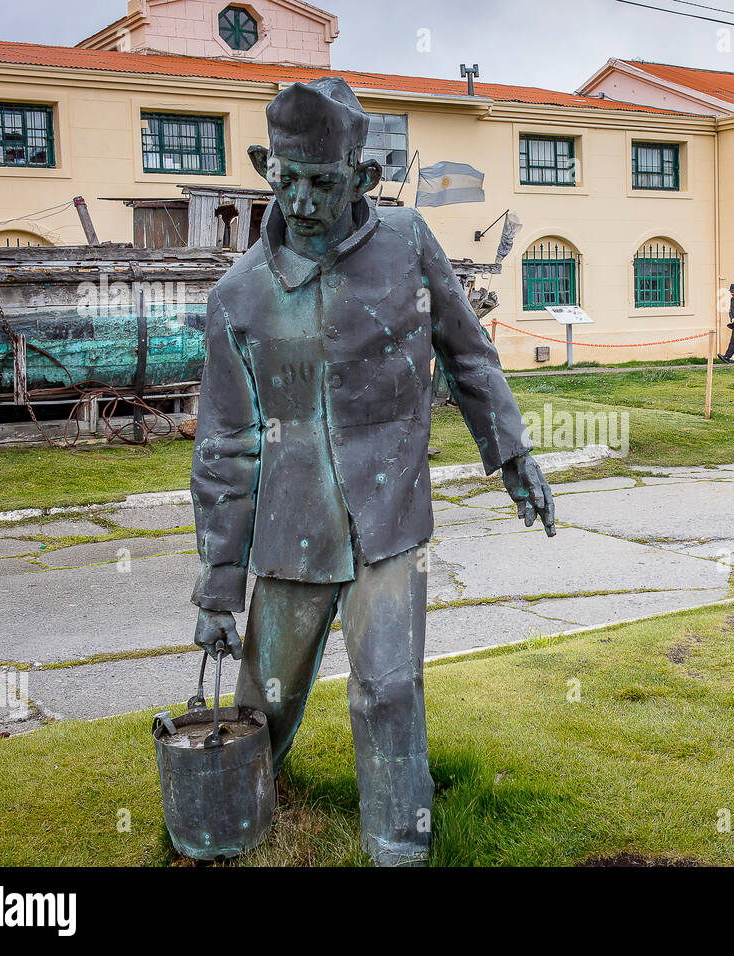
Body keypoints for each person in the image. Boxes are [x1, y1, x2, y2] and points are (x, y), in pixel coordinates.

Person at [189, 78, 556, 866]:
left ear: (364, 178)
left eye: (323, 182)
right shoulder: (237, 298)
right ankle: (226, 823)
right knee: (264, 705)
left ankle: (398, 844)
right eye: (286, 179)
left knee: (388, 690)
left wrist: (513, 452)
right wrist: (221, 585)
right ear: (265, 167)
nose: (304, 201)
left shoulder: (409, 243)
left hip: (388, 524)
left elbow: (467, 353)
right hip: (291, 536)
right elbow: (224, 446)